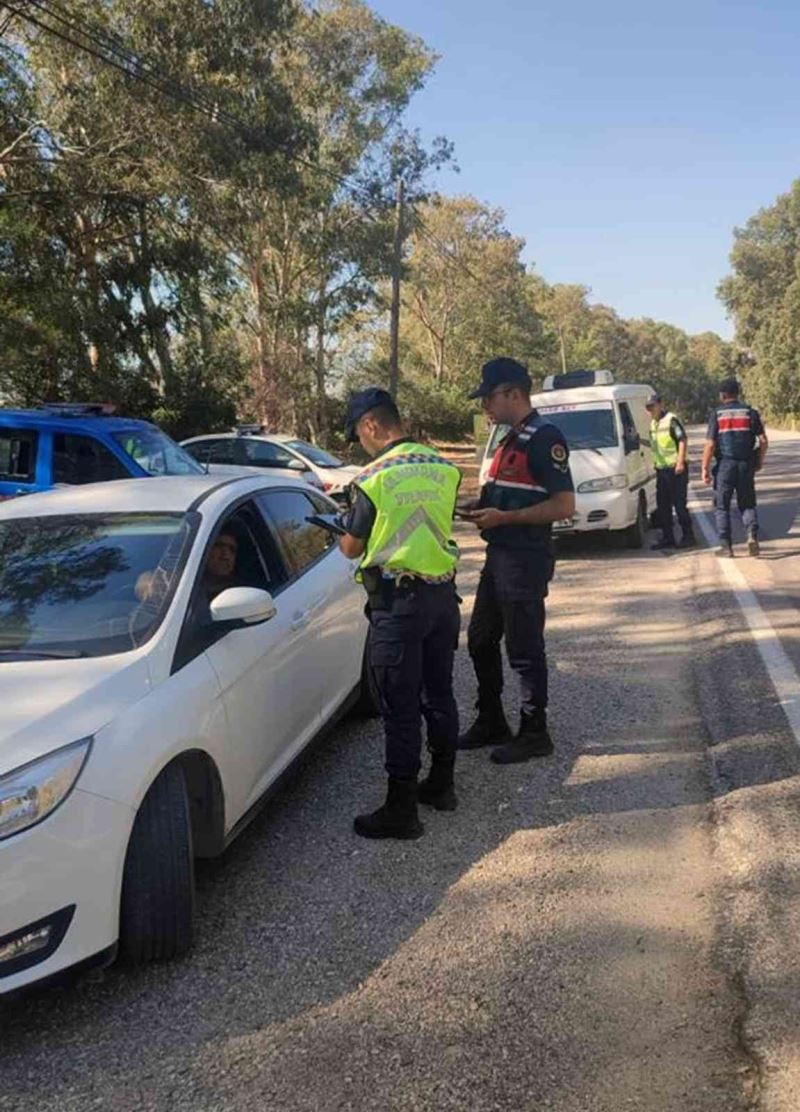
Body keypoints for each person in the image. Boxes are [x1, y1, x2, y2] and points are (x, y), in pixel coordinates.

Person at [338, 387, 462, 840]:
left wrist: (343, 528)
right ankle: (443, 785)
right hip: (442, 598)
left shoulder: (373, 478)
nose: (360, 444)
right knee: (439, 694)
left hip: (399, 605)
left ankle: (401, 809)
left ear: (371, 425)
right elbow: (437, 522)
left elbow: (352, 548)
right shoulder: (443, 468)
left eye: (358, 434)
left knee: (399, 705)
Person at [459, 357, 575, 764]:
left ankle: (534, 731)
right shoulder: (510, 437)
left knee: (524, 647)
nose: (485, 407)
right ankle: (491, 719)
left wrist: (504, 517)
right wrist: (480, 506)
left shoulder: (544, 437)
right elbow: (512, 490)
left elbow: (563, 505)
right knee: (480, 639)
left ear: (512, 393)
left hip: (525, 557)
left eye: (488, 398)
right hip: (500, 555)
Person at [702, 377, 768, 558]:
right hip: (746, 464)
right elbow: (763, 441)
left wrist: (705, 468)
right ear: (737, 393)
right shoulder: (750, 413)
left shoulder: (717, 414)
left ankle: (726, 546)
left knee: (722, 506)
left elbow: (710, 444)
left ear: (722, 395)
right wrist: (759, 460)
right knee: (747, 503)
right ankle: (752, 536)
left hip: (725, 465)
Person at [645, 392, 695, 550]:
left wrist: (680, 462)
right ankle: (668, 538)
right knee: (663, 506)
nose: (650, 410)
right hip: (662, 470)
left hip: (676, 469)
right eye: (648, 407)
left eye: (652, 406)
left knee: (679, 505)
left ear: (660, 404)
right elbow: (654, 444)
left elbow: (682, 440)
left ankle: (688, 536)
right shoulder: (653, 423)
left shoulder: (670, 420)